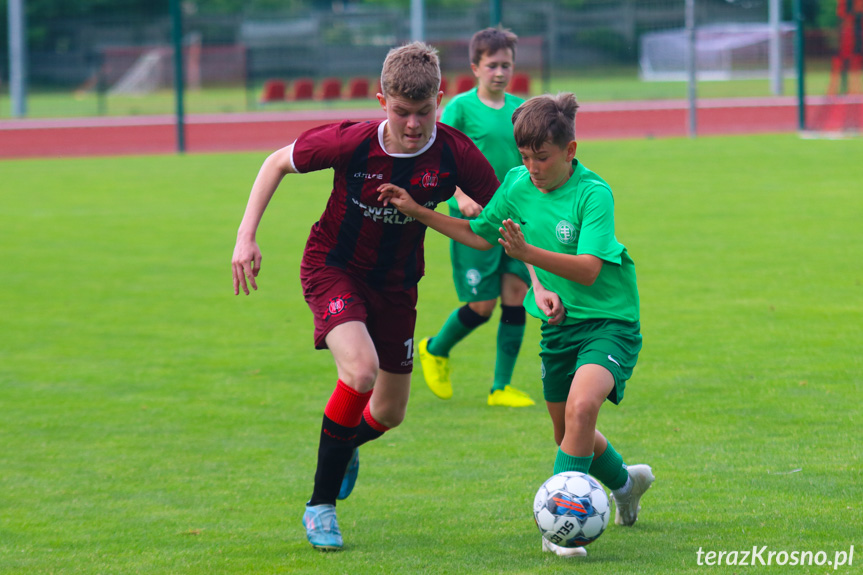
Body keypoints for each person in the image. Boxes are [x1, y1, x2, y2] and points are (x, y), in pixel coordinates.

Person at [231, 42, 501, 552]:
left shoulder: (455, 153)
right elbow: (274, 164)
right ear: (382, 101)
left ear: (440, 100)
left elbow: (504, 218)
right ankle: (320, 507)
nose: (414, 124)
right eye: (402, 112)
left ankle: (344, 443)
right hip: (334, 268)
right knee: (359, 370)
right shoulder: (350, 142)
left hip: (397, 285)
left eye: (425, 112)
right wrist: (246, 237)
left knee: (391, 411)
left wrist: (537, 279)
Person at [378, 93, 655, 558]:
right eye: (525, 157)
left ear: (569, 151)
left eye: (542, 157)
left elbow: (588, 268)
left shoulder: (593, 193)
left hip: (609, 321)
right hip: (560, 328)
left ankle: (560, 528)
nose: (532, 167)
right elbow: (477, 235)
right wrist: (419, 212)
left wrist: (528, 257)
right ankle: (626, 484)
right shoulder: (516, 184)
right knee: (565, 431)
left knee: (582, 410)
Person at [418, 26, 535, 407]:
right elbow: (438, 160)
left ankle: (500, 387)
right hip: (476, 222)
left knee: (515, 295)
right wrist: (459, 195)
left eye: (507, 65)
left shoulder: (521, 109)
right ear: (475, 67)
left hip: (515, 219)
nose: (500, 72)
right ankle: (435, 348)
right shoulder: (460, 109)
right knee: (482, 307)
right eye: (493, 65)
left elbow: (528, 164)